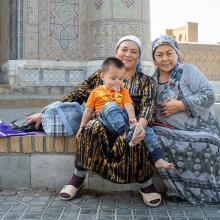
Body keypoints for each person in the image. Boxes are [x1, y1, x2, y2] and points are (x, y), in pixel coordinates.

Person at [27, 35, 162, 208]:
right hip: (102, 124)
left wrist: (140, 127)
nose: (128, 54)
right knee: (89, 127)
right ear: (116, 53)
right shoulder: (100, 76)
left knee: (135, 134)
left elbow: (148, 107)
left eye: (133, 51)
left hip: (130, 124)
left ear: (139, 56)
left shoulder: (146, 81)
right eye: (124, 50)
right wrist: (45, 112)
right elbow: (76, 95)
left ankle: (145, 183)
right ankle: (78, 176)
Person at [151, 35, 220, 205]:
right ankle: (176, 189)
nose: (165, 59)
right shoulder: (151, 82)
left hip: (199, 128)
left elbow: (208, 95)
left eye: (169, 53)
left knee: (207, 142)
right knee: (154, 138)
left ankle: (206, 191)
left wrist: (182, 104)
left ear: (177, 54)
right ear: (154, 59)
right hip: (167, 130)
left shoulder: (189, 71)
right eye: (159, 55)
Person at [76, 56, 174, 170]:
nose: (117, 82)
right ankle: (126, 134)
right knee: (110, 105)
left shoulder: (123, 90)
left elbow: (128, 105)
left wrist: (132, 118)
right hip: (105, 120)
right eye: (113, 78)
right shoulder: (96, 92)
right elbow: (88, 110)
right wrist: (82, 126)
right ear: (102, 76)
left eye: (121, 79)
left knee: (146, 129)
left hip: (122, 119)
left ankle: (158, 159)